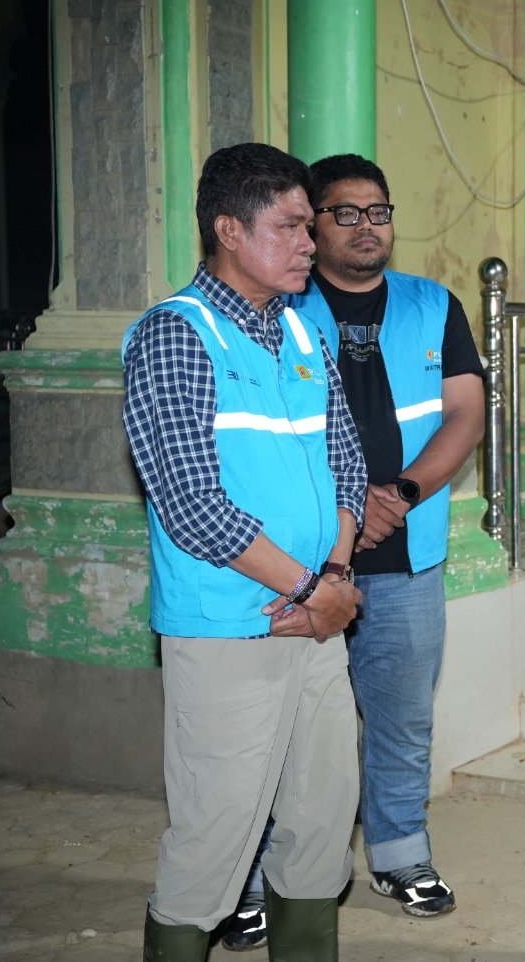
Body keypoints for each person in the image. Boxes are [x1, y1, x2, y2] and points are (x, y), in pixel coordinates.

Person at [217, 154, 487, 945]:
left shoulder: (432, 305)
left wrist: (397, 494)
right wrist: (343, 511)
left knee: (402, 718)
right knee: (284, 731)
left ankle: (400, 854)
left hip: (405, 552)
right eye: (344, 212)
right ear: (311, 221)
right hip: (297, 560)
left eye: (379, 211)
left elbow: (465, 414)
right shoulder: (277, 307)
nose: (366, 226)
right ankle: (263, 876)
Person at [123, 142, 366, 959]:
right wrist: (313, 590)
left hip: (315, 620)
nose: (310, 242)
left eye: (309, 226)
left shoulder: (302, 331)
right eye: (291, 226)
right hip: (232, 627)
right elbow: (193, 506)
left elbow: (347, 463)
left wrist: (334, 579)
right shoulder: (176, 335)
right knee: (215, 834)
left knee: (321, 822)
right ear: (230, 229)